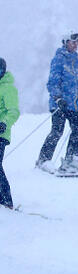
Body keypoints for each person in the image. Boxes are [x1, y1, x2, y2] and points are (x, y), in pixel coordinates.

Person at [36, 32, 78, 173]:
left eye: (77, 42)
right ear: (65, 42)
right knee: (57, 131)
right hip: (61, 104)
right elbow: (52, 81)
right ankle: (43, 160)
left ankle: (71, 158)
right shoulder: (59, 58)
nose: (76, 44)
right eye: (73, 41)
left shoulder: (76, 60)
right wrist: (57, 98)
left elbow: (77, 84)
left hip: (74, 105)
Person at [0, 58, 19, 209]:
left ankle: (6, 201)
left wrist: (4, 123)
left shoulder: (7, 88)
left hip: (1, 133)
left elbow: (14, 111)